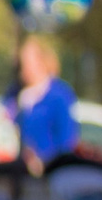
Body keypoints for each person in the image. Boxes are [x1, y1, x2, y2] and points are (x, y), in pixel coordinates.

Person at [7, 36, 80, 176]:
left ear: (41, 61)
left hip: (50, 172)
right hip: (19, 172)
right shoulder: (14, 93)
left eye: (26, 63)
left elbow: (67, 140)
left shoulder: (59, 95)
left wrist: (45, 162)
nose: (22, 70)